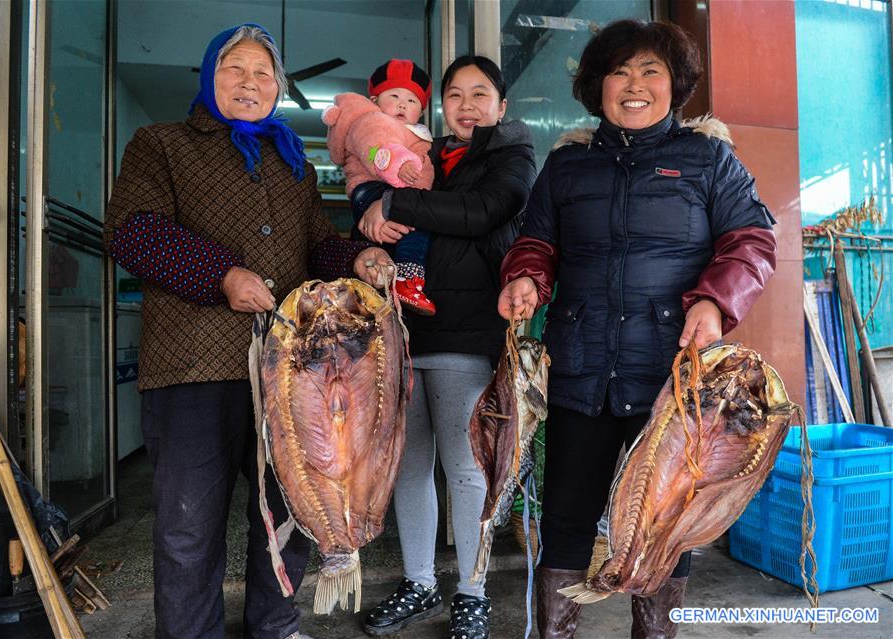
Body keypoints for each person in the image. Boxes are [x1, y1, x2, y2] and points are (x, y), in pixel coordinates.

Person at [103, 23, 387, 639]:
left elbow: (317, 245)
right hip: (192, 366)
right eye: (236, 70)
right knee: (189, 523)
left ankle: (275, 623)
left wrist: (355, 259)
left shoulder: (293, 164)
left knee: (289, 511)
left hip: (288, 375)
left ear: (278, 87)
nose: (251, 83)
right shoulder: (162, 145)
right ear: (210, 76)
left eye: (264, 74)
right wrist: (221, 275)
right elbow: (132, 229)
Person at [497, 19, 777, 639]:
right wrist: (526, 278)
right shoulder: (568, 166)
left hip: (671, 378)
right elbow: (536, 240)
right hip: (581, 371)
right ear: (598, 86)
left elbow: (752, 242)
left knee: (662, 522)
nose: (634, 84)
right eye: (619, 71)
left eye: (650, 71)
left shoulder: (709, 158)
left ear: (674, 86)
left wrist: (714, 301)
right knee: (568, 519)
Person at [357, 55, 537, 639]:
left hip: (467, 331)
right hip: (404, 333)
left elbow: (482, 211)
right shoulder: (423, 156)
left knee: (466, 471)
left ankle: (473, 591)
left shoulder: (511, 155)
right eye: (455, 94)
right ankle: (419, 582)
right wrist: (370, 220)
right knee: (409, 469)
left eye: (479, 94)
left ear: (501, 106)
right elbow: (370, 193)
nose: (465, 105)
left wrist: (396, 205)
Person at [322, 59, 438, 315]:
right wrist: (399, 165)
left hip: (391, 194)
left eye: (411, 101)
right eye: (394, 96)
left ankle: (387, 288)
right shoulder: (371, 120)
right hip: (372, 188)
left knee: (397, 235)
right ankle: (407, 281)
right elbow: (379, 147)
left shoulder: (417, 134)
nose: (402, 104)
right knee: (413, 226)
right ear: (374, 101)